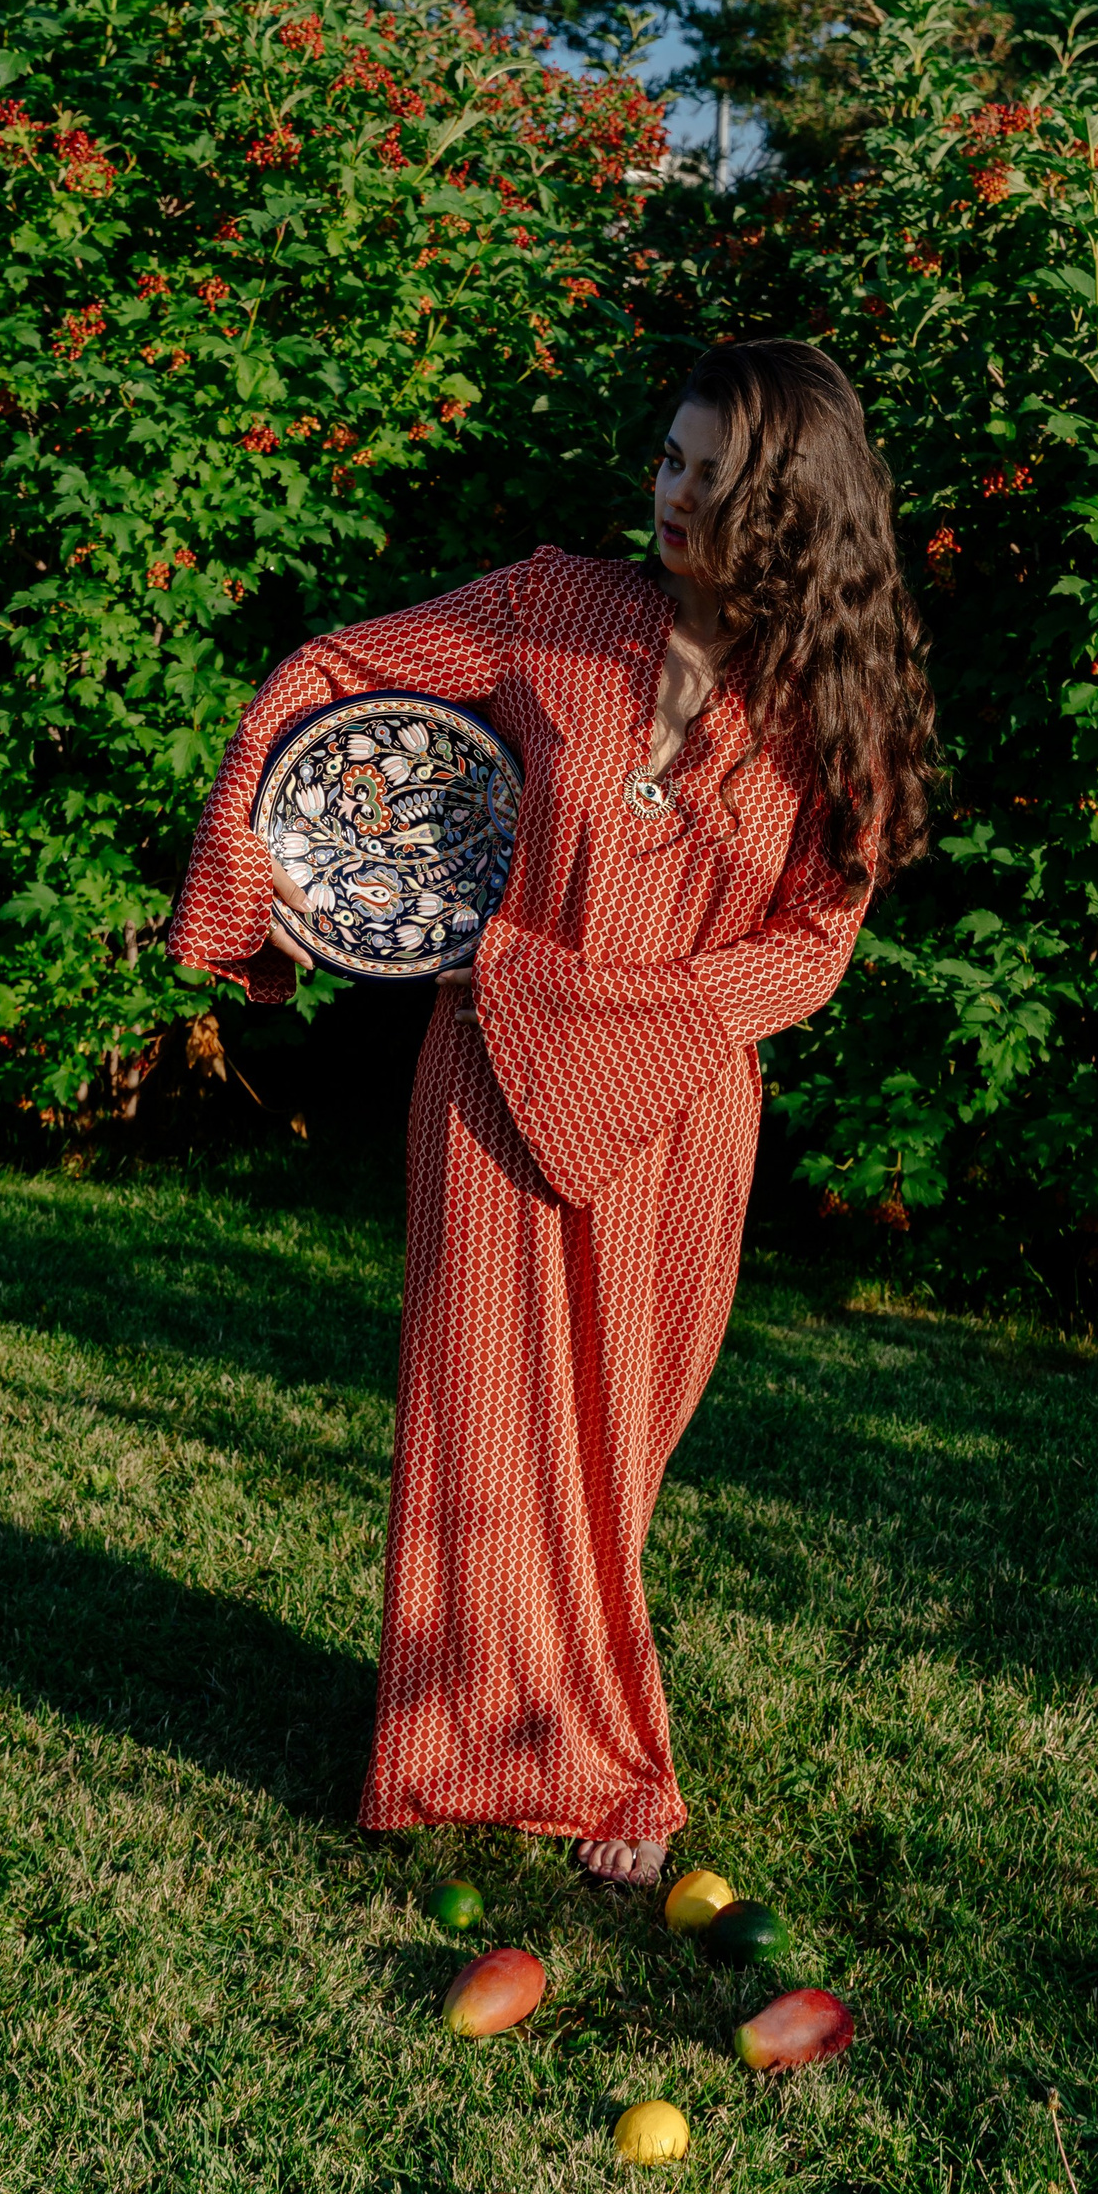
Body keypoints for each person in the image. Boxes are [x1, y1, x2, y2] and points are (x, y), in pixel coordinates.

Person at [169, 338, 935, 1887]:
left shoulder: (835, 704)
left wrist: (619, 1015)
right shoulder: (552, 606)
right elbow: (332, 673)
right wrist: (292, 882)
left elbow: (806, 952)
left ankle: (550, 1722)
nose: (671, 496)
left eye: (711, 478)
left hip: (675, 1117)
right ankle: (537, 1756)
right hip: (489, 1087)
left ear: (792, 507)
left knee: (610, 1449)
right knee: (486, 1434)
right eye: (668, 460)